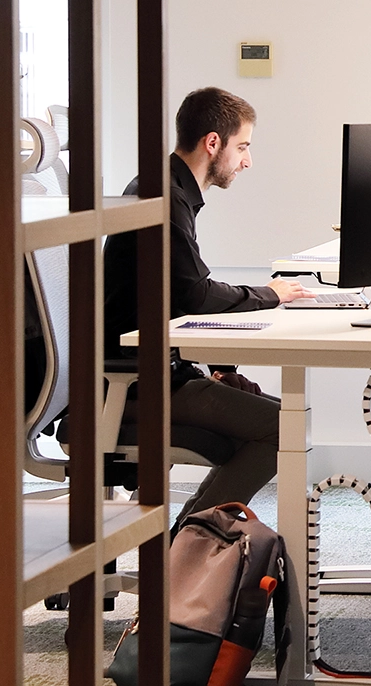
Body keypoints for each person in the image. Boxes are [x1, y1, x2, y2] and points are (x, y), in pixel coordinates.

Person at [104, 87, 314, 519]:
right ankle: (186, 547)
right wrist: (270, 296)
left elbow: (178, 296)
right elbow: (196, 295)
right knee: (284, 426)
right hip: (136, 382)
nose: (247, 161)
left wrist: (221, 367)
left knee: (285, 414)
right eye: (243, 146)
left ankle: (183, 541)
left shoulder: (165, 187)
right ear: (212, 142)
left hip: (157, 369)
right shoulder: (163, 197)